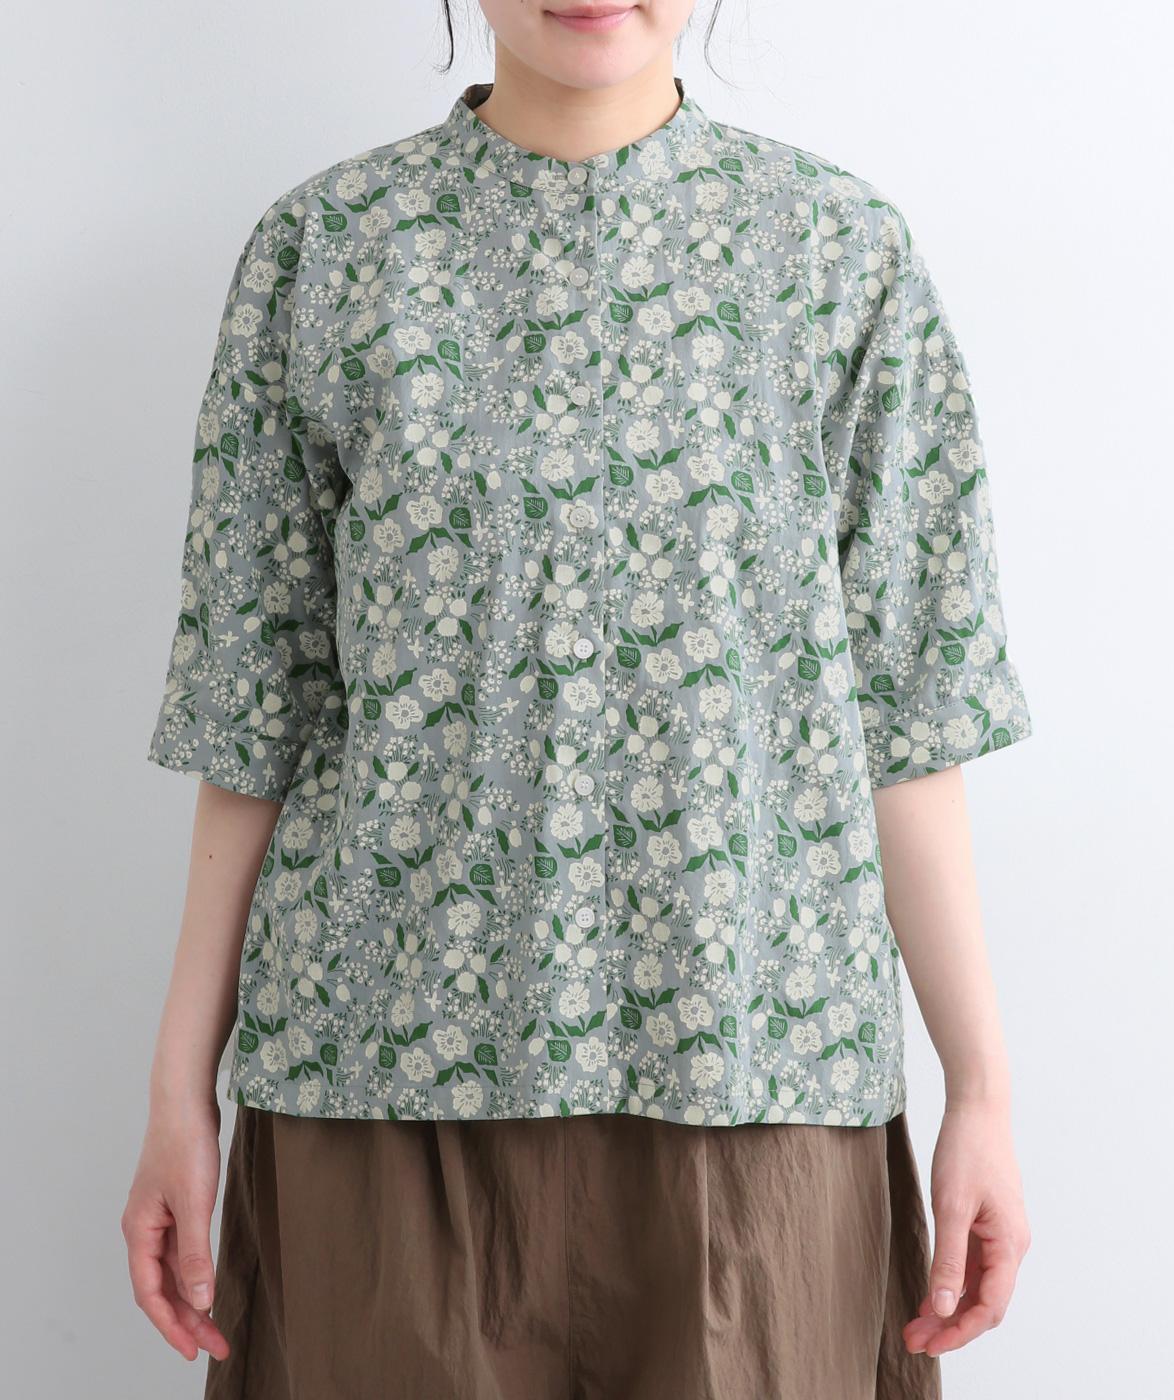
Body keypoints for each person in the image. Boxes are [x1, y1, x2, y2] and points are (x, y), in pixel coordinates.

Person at [122, 3, 1035, 1396]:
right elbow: (251, 710)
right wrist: (176, 1092)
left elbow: (909, 720)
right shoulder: (329, 250)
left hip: (756, 1072)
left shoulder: (838, 254)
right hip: (380, 1085)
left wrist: (983, 1091)